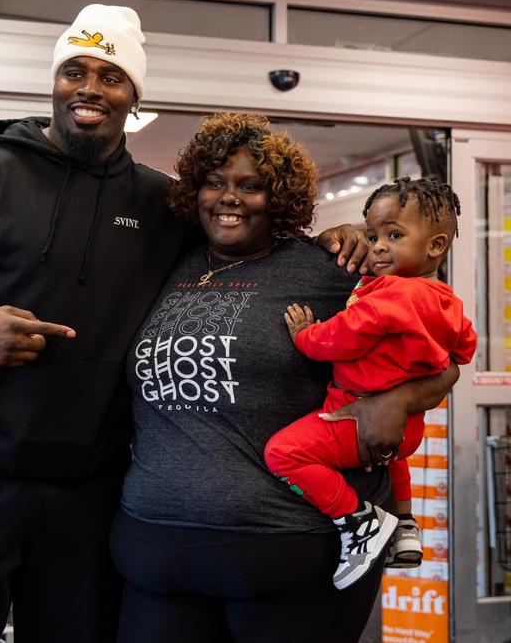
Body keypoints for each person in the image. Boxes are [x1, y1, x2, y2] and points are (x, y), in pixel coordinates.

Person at [0, 5, 367, 643]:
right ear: (54, 82)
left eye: (111, 76)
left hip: (89, 490)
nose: (90, 88)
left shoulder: (161, 202)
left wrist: (328, 241)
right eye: (76, 70)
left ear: (133, 96)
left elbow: (240, 236)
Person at [111, 114, 459, 643]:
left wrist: (402, 399)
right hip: (155, 549)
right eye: (215, 182)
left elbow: (443, 351)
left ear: (279, 198)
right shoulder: (167, 265)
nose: (229, 198)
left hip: (291, 553)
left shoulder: (331, 269)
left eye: (250, 186)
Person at [264, 177, 477, 591]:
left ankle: (358, 521)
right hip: (406, 425)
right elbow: (464, 348)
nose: (377, 246)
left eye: (393, 236)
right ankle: (405, 525)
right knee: (393, 459)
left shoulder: (389, 297)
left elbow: (338, 338)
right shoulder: (447, 300)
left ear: (435, 246)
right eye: (373, 234)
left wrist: (306, 335)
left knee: (283, 454)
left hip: (356, 416)